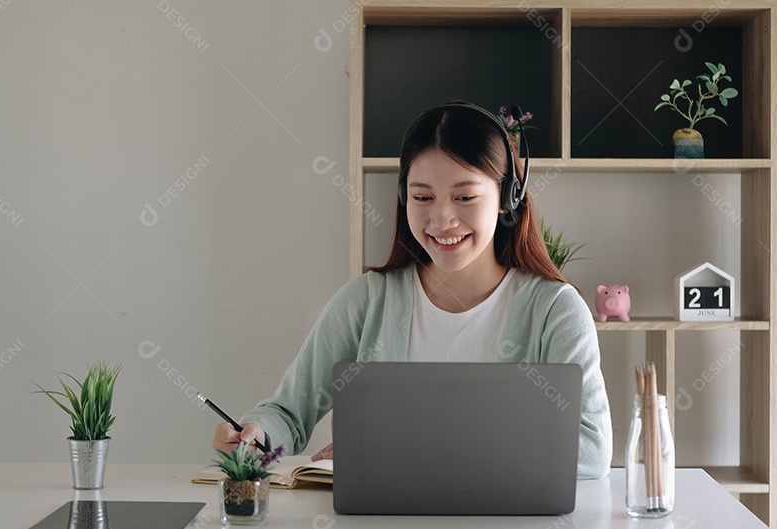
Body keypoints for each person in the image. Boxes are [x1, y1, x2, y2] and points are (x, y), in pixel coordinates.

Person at [212, 102, 612, 479]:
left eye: (465, 197)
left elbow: (592, 451)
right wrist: (256, 435)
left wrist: (409, 447)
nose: (441, 219)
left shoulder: (554, 310)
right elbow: (287, 413)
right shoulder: (366, 302)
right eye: (422, 197)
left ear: (509, 199)